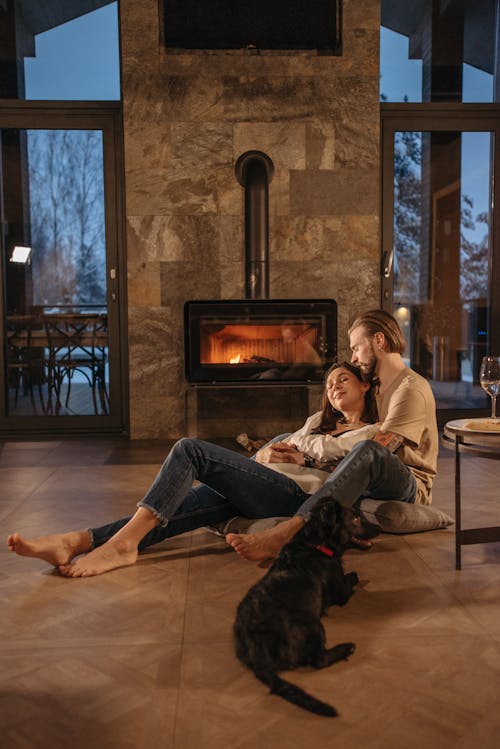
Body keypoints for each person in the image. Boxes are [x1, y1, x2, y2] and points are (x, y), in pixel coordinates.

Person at [7, 362, 378, 577]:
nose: (333, 387)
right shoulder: (316, 421)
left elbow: (344, 464)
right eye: (329, 383)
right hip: (267, 484)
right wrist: (268, 455)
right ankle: (75, 541)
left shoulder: (370, 432)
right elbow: (280, 448)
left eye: (342, 379)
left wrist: (302, 457)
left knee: (190, 450)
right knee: (176, 509)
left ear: (364, 384)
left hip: (298, 496)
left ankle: (121, 546)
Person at [227, 309, 439, 561]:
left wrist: (308, 460)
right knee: (285, 437)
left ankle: (291, 531)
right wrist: (298, 455)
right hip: (370, 474)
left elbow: (378, 452)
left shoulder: (410, 390)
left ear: (379, 341)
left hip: (408, 481)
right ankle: (242, 477)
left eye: (356, 348)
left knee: (368, 451)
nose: (354, 357)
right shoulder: (377, 388)